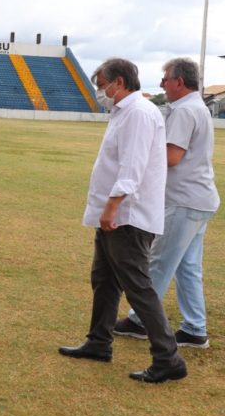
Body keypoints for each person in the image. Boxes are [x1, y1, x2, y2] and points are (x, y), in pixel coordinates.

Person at [59, 58, 187, 383]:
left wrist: (113, 206)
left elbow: (133, 166)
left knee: (137, 287)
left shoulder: (139, 113)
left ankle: (168, 358)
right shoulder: (123, 112)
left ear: (120, 81)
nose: (101, 91)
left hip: (128, 216)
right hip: (117, 214)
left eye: (103, 85)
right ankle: (99, 342)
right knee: (104, 279)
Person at [114, 58, 219, 349]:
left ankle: (139, 321)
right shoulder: (196, 107)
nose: (162, 85)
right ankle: (195, 328)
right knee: (187, 267)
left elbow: (172, 157)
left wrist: (140, 152)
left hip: (183, 199)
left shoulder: (185, 111)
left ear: (179, 82)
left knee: (159, 262)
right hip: (197, 198)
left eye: (165, 79)